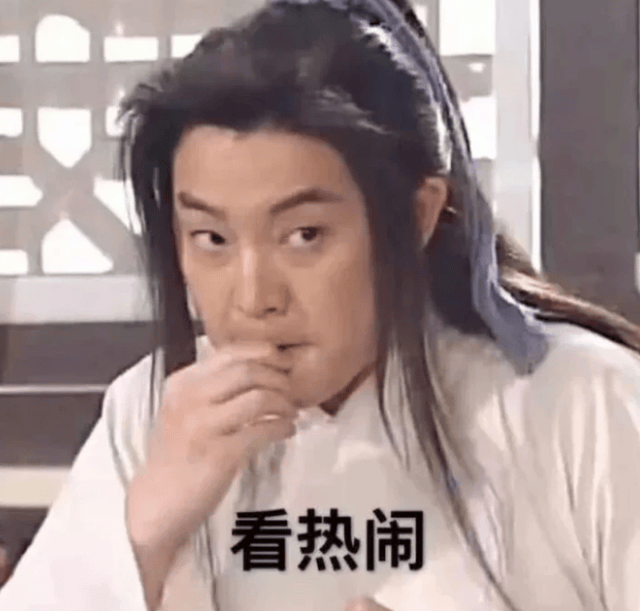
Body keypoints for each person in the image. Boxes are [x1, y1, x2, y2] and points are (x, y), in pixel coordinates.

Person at [1, 1, 639, 610]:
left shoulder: (580, 400)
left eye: (304, 235)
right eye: (212, 239)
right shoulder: (148, 416)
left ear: (417, 215)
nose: (254, 297)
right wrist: (141, 535)